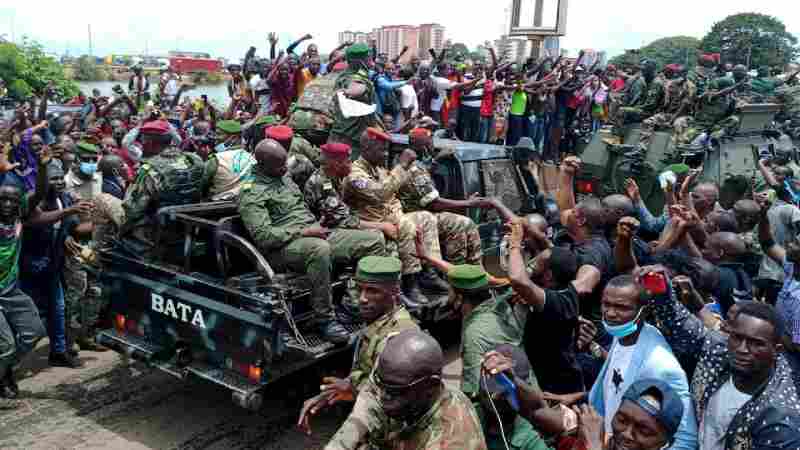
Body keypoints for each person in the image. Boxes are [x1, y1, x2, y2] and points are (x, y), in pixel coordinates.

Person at [238, 138, 387, 344]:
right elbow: (265, 237)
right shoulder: (250, 191)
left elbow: (303, 210)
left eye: (285, 163)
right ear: (262, 165)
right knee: (319, 249)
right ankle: (324, 319)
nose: (285, 169)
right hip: (282, 250)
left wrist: (322, 221)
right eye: (279, 166)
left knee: (374, 240)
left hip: (313, 233)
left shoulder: (284, 179)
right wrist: (304, 231)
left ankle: (354, 305)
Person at [649, 262, 800, 450]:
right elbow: (677, 321)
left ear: (776, 350)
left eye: (756, 343)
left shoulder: (781, 418)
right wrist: (659, 285)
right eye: (737, 338)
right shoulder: (719, 350)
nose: (742, 349)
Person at [299, 256, 420, 447]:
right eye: (359, 288)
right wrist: (340, 388)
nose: (362, 298)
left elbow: (385, 401)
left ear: (395, 292)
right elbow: (373, 375)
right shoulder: (378, 320)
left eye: (373, 291)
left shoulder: (396, 340)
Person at [585, 275, 698, 450]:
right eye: (606, 304)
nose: (610, 313)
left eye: (621, 307)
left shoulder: (661, 366)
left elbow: (686, 441)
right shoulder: (621, 335)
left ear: (643, 312)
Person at [325, 329, 487, 449]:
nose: (383, 397)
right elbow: (370, 400)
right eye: (381, 384)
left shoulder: (450, 441)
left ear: (430, 386)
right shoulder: (398, 380)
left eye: (395, 392)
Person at [342, 128, 447, 307]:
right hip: (371, 222)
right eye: (380, 150)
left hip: (391, 217)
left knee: (426, 218)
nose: (384, 154)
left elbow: (394, 194)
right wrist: (402, 165)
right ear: (366, 148)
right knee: (406, 225)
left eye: (385, 149)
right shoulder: (355, 173)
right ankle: (410, 282)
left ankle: (428, 272)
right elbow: (380, 193)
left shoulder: (379, 169)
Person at [19, 163, 89, 368]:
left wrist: (102, 223)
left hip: (52, 265)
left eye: (60, 178)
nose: (59, 182)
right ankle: (9, 363)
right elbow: (36, 220)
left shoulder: (64, 199)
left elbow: (77, 228)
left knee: (58, 308)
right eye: (53, 178)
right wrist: (69, 211)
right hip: (29, 268)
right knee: (30, 316)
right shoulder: (32, 200)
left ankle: (58, 352)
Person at [506, 219, 585, 395]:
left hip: (558, 387)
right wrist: (525, 227)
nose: (532, 268)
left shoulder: (556, 302)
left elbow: (519, 280)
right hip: (562, 376)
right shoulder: (567, 288)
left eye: (536, 265)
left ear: (548, 276)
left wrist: (515, 245)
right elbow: (549, 248)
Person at [0, 147, 52, 407]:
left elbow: (39, 194)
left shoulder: (19, 216)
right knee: (6, 344)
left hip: (10, 290)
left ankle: (5, 370)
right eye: (3, 200)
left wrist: (42, 167)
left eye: (12, 200)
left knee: (34, 332)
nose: (7, 204)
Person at [398, 128, 490, 267]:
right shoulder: (415, 169)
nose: (433, 146)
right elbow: (434, 204)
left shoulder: (412, 165)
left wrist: (436, 160)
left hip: (421, 213)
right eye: (430, 143)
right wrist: (469, 203)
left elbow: (424, 175)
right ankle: (457, 271)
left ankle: (474, 271)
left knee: (466, 224)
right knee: (462, 223)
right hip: (419, 218)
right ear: (424, 147)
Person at [120, 120, 206, 256]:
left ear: (151, 143)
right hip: (187, 227)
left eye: (143, 141)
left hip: (155, 233)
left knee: (103, 201)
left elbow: (133, 211)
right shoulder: (193, 161)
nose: (142, 145)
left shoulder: (150, 170)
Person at [329, 43, 382, 160]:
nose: (371, 61)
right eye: (368, 58)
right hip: (351, 143)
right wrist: (350, 92)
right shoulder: (357, 77)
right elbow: (358, 87)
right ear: (360, 61)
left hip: (337, 136)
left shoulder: (343, 75)